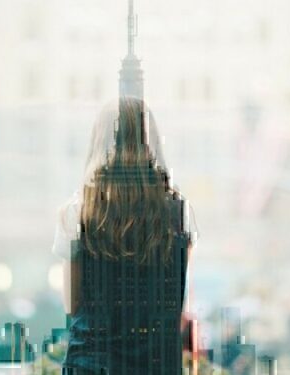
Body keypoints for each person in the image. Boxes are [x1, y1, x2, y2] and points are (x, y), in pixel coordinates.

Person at [52, 98, 198, 374]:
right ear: (151, 141)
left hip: (92, 363)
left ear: (98, 141)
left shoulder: (77, 213)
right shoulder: (180, 212)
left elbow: (73, 305)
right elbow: (175, 300)